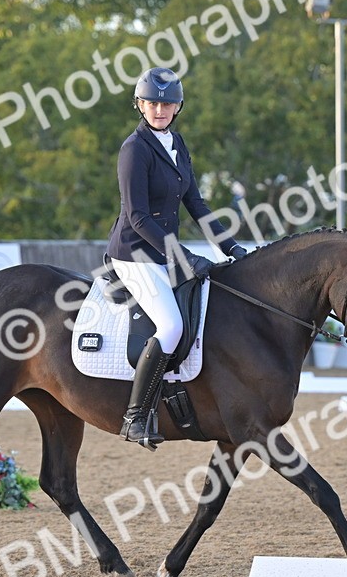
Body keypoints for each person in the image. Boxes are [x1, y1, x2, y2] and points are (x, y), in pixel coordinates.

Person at [106, 67, 249, 449]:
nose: (159, 109)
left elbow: (196, 203)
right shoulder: (134, 150)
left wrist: (230, 246)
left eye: (167, 103)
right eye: (152, 102)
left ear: (177, 107)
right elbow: (136, 217)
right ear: (139, 104)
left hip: (164, 252)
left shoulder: (177, 144)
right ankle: (136, 418)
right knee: (170, 326)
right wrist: (182, 257)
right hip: (135, 254)